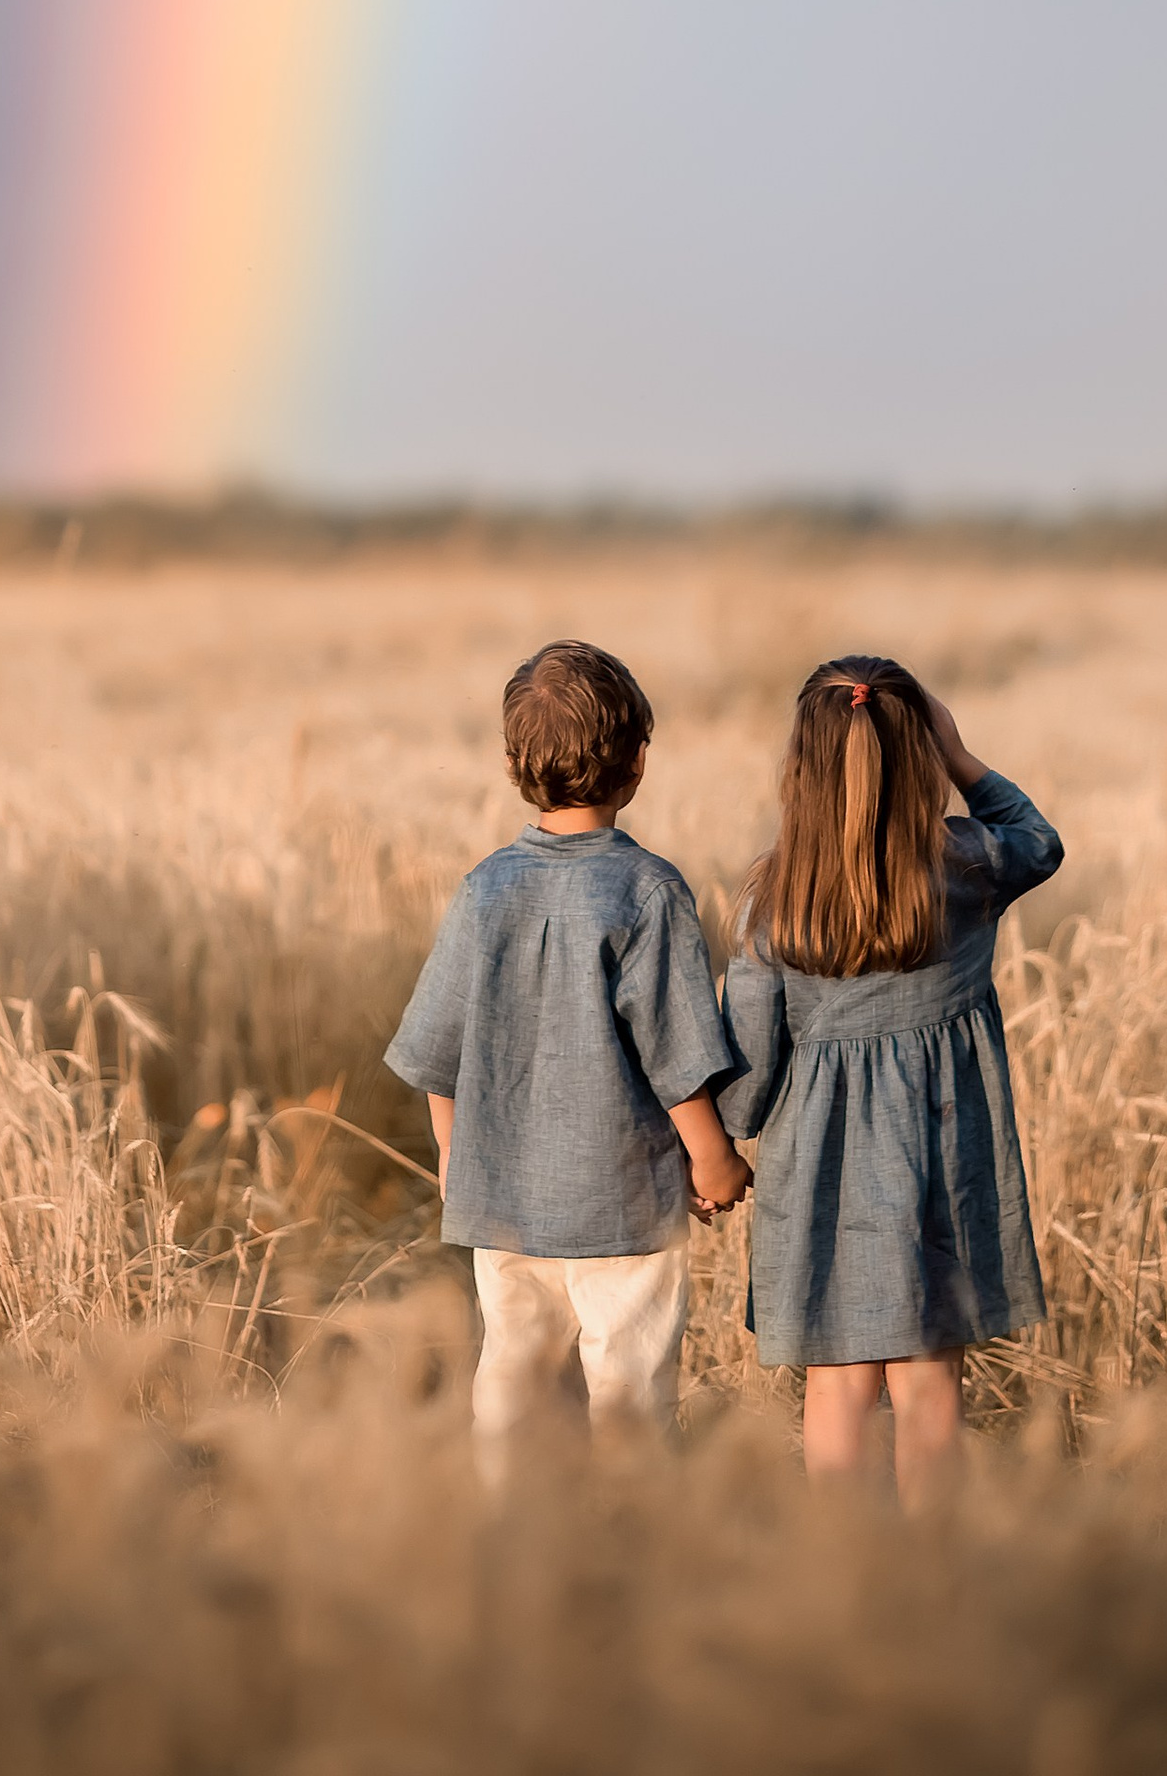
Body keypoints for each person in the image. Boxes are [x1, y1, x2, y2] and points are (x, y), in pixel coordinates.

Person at [386, 639, 751, 1456]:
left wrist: (454, 1155)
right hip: (623, 1208)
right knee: (629, 1390)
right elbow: (677, 1058)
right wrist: (713, 1161)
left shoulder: (485, 888)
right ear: (638, 762)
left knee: (513, 1388)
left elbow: (439, 1049)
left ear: (513, 764)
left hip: (503, 1206)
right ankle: (627, 1517)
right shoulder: (648, 891)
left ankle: (514, 1520)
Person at [718, 655, 1061, 1502]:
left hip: (821, 1181)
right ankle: (932, 1564)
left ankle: (846, 1562)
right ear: (923, 759)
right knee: (930, 1384)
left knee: (836, 1385)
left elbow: (748, 1081)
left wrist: (719, 1140)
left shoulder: (774, 899)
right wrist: (963, 757)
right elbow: (1041, 844)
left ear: (801, 769)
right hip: (943, 1165)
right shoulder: (969, 865)